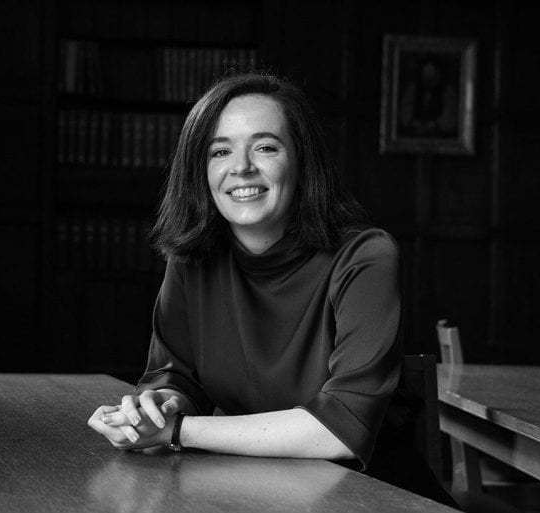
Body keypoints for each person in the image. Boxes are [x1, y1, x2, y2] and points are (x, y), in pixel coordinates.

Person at [87, 72, 456, 507]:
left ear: (302, 163)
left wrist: (176, 432)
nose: (240, 167)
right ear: (200, 171)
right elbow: (176, 377)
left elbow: (340, 430)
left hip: (372, 495)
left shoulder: (366, 255)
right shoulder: (191, 260)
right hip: (254, 489)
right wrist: (151, 412)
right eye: (220, 151)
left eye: (265, 147)